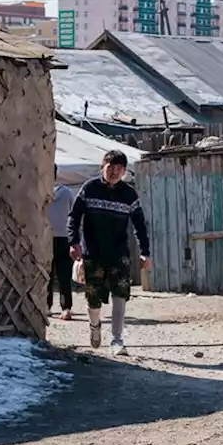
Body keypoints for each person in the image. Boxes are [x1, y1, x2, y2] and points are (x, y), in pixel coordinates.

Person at [67, 150, 151, 356]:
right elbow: (74, 217)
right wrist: (73, 242)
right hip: (92, 253)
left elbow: (140, 225)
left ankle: (117, 339)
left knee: (120, 295)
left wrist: (145, 252)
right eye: (110, 168)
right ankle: (95, 326)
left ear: (124, 171)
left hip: (118, 254)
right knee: (93, 298)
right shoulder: (89, 188)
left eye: (119, 169)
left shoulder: (129, 194)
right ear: (102, 167)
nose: (114, 172)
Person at [48, 167, 75, 320]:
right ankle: (66, 308)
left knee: (47, 273)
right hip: (64, 236)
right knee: (64, 274)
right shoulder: (67, 193)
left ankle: (46, 306)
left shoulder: (40, 192)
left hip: (46, 237)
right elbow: (74, 215)